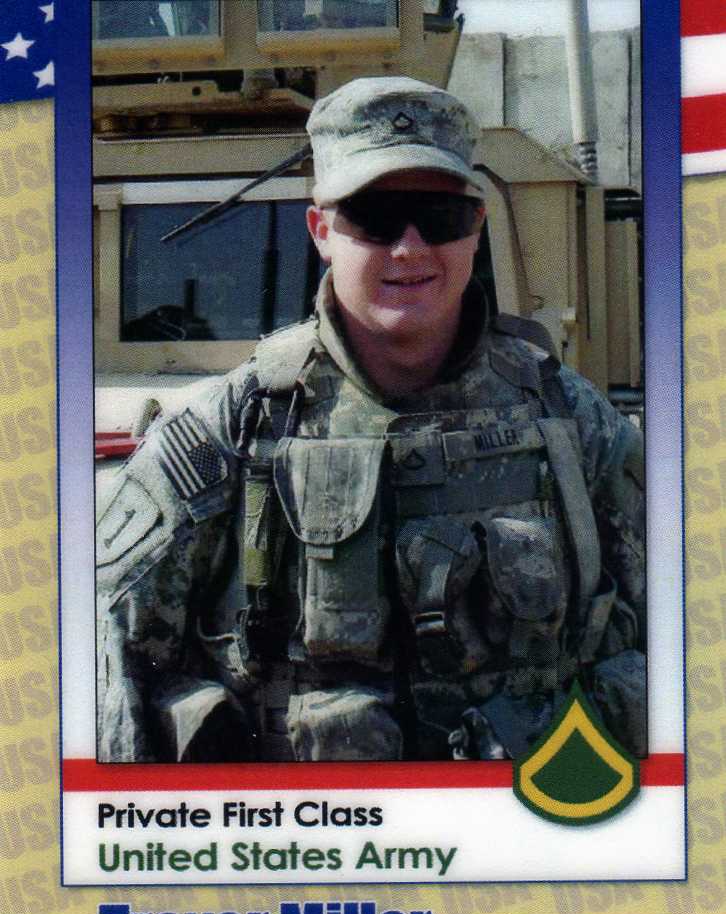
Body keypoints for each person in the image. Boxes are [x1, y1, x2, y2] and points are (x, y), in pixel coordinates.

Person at [96, 76, 645, 763]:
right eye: (376, 217)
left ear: (476, 227)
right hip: (312, 823)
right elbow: (115, 664)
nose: (409, 249)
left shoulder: (571, 419)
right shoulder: (234, 429)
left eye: (438, 215)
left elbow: (673, 625)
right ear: (323, 231)